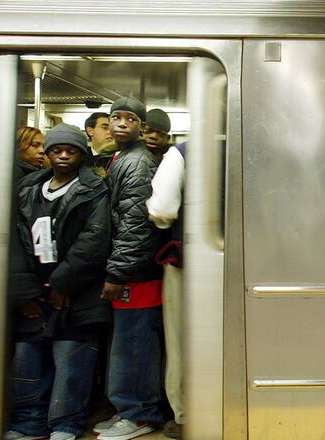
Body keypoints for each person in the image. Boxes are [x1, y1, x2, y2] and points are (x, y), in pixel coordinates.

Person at [5, 123, 112, 440]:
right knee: (27, 362)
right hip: (34, 291)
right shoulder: (27, 189)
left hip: (79, 293)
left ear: (82, 154)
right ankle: (29, 423)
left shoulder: (94, 189)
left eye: (71, 151)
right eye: (56, 150)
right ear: (49, 154)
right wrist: (24, 291)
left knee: (72, 363)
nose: (63, 155)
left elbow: (95, 239)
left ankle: (66, 423)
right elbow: (12, 240)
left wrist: (65, 282)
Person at [93, 96, 165, 440]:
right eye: (116, 118)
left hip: (136, 272)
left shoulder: (136, 162)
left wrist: (118, 271)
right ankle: (128, 408)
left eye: (130, 119)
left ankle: (139, 414)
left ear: (141, 126)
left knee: (134, 343)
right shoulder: (121, 157)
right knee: (125, 342)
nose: (122, 123)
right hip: (129, 266)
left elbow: (135, 223)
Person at [146, 142, 186, 439]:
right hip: (253, 259)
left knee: (180, 339)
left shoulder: (182, 153)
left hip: (188, 261)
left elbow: (163, 209)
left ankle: (186, 414)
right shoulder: (261, 147)